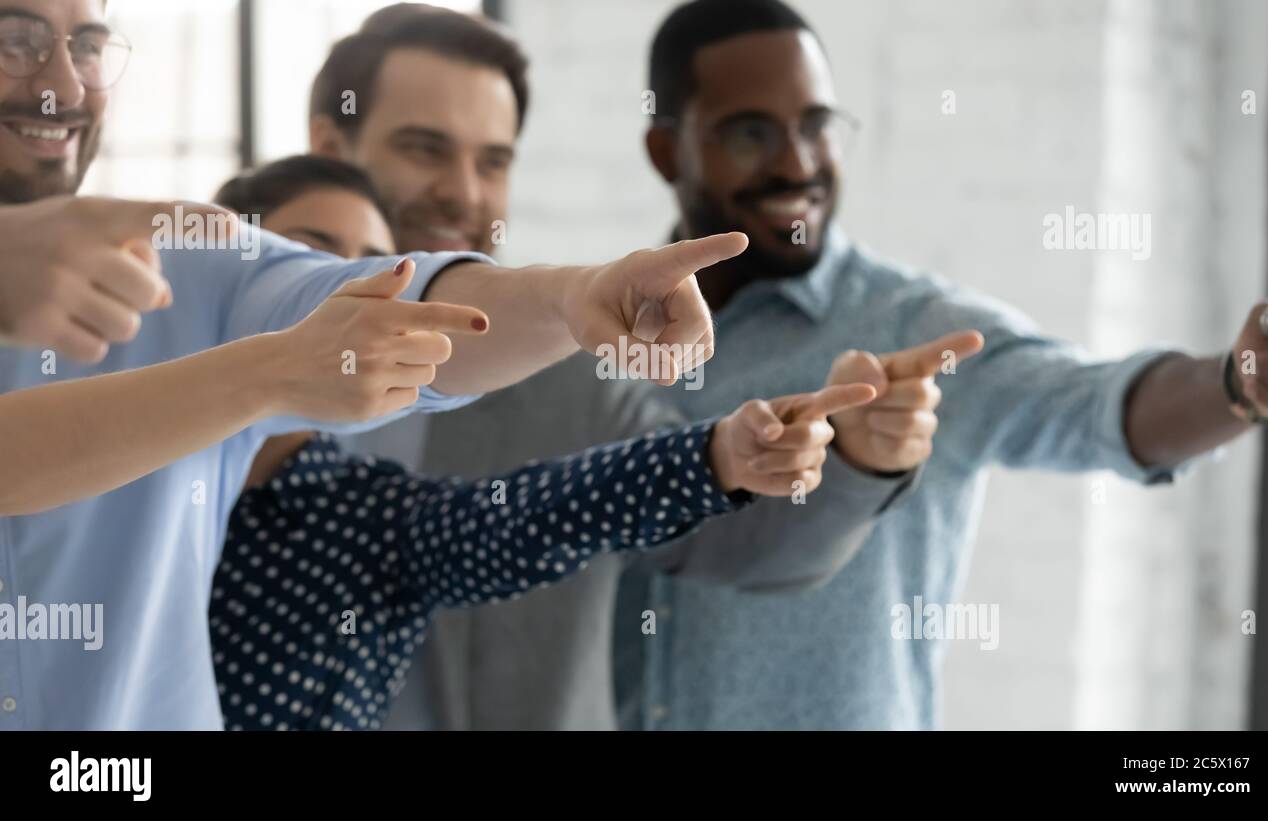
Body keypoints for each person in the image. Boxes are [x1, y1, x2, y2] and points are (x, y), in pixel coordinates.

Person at [0, 0, 748, 730]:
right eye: (15, 39)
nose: (63, 87)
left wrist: (568, 294)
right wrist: (267, 371)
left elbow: (392, 300)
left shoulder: (186, 265)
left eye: (90, 45)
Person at [609, 0, 1268, 730]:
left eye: (817, 125)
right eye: (750, 132)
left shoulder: (915, 332)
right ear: (665, 151)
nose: (797, 163)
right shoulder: (612, 339)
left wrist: (1233, 386)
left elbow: (1092, 405)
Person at [316, 3, 974, 730]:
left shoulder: (568, 383)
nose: (463, 193)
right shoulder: (223, 351)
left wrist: (857, 459)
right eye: (425, 148)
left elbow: (727, 533)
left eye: (493, 160)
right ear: (329, 141)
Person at [205, 155, 875, 730]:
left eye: (374, 271)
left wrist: (715, 456)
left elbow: (536, 514)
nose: (348, 296)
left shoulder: (366, 520)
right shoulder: (135, 456)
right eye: (309, 258)